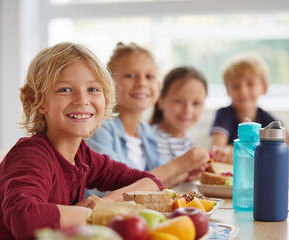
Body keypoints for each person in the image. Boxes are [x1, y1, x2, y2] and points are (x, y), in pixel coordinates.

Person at [0, 42, 163, 240]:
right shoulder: (30, 155)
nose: (82, 100)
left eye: (93, 89)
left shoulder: (83, 156)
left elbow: (151, 182)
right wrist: (93, 214)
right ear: (39, 101)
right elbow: (25, 219)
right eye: (65, 90)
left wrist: (106, 203)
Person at [86, 42, 210, 191]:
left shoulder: (145, 131)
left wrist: (185, 173)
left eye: (149, 76)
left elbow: (155, 183)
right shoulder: (99, 128)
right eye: (130, 76)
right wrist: (178, 165)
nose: (142, 83)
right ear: (109, 82)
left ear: (158, 86)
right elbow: (110, 193)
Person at [210, 53, 289, 162]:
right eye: (235, 86)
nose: (243, 91)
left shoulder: (268, 120)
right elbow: (217, 149)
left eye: (250, 84)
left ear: (264, 88)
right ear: (227, 90)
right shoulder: (224, 114)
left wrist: (288, 147)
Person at [150, 66, 208, 165]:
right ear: (160, 101)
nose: (187, 110)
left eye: (196, 103)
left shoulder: (187, 139)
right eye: (178, 101)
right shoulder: (153, 139)